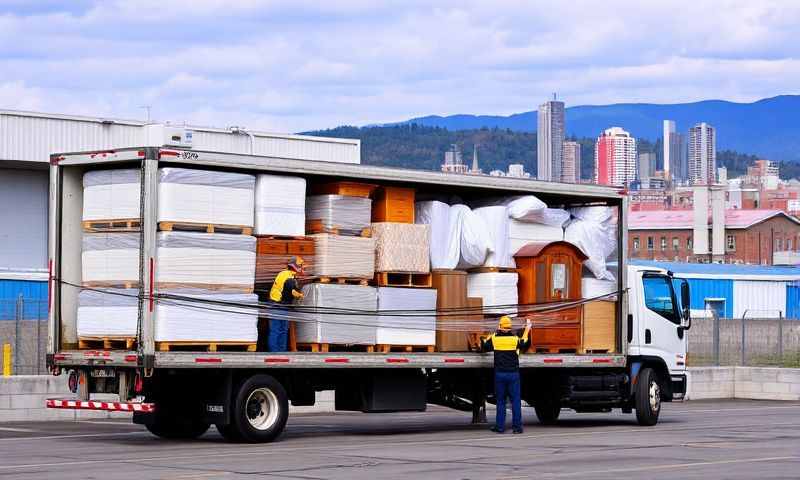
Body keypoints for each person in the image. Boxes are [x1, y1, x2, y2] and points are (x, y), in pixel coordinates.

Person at [480, 315, 532, 434]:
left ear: (500, 327)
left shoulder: (495, 339)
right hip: (513, 374)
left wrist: (490, 335)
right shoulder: (514, 339)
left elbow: (484, 346)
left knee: (501, 401)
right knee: (515, 401)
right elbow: (524, 343)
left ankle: (500, 427)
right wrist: (528, 329)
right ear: (510, 327)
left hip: (500, 374)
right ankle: (517, 428)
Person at [262, 256, 305, 352]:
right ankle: (275, 352)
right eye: (300, 265)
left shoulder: (288, 274)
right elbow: (292, 290)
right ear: (295, 266)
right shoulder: (287, 275)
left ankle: (281, 352)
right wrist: (300, 295)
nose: (302, 268)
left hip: (282, 306)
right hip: (277, 305)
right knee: (277, 330)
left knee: (283, 330)